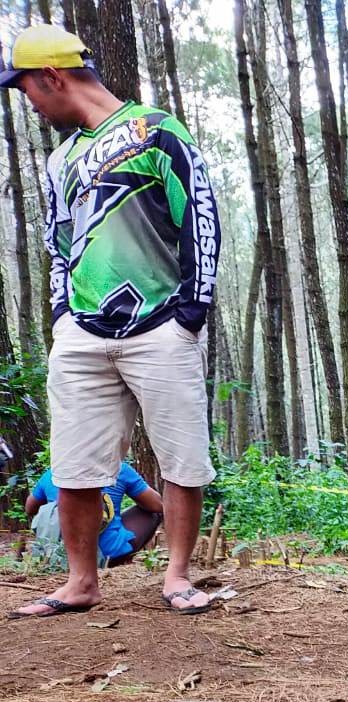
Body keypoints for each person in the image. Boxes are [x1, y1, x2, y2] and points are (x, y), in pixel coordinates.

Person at [3, 24, 220, 619]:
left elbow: (199, 213)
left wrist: (190, 314)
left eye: (27, 90)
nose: (30, 104)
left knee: (182, 455)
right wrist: (60, 315)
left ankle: (176, 576)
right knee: (73, 462)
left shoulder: (158, 131)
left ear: (53, 77)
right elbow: (58, 242)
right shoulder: (59, 159)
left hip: (160, 321)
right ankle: (80, 581)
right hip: (82, 327)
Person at [27, 462, 164, 567]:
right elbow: (157, 505)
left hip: (61, 555)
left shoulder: (53, 473)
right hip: (109, 554)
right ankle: (122, 559)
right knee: (154, 513)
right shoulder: (117, 468)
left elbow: (30, 508)